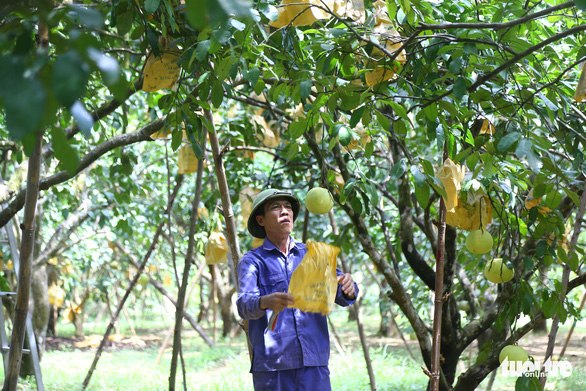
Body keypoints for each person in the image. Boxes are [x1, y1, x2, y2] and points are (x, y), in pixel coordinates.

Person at [236, 188, 358, 391]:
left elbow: (341, 294)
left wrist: (349, 287)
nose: (285, 212)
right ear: (261, 220)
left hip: (314, 362)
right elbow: (244, 305)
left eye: (288, 207)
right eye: (276, 207)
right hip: (272, 367)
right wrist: (265, 301)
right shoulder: (252, 262)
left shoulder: (314, 255)